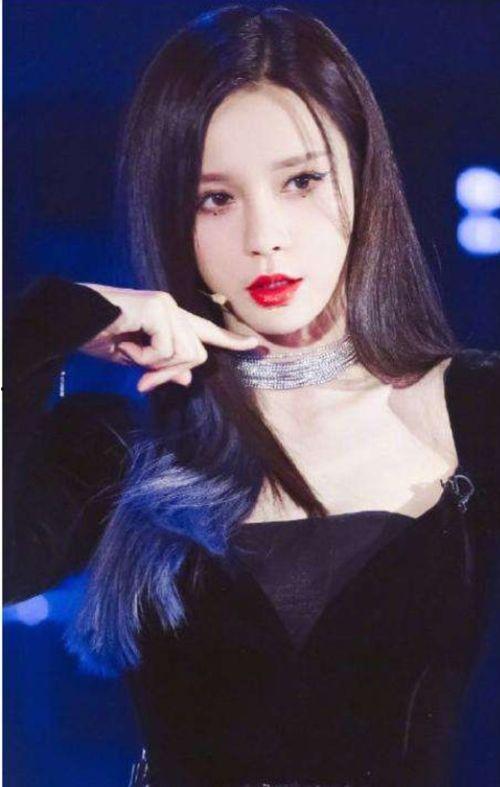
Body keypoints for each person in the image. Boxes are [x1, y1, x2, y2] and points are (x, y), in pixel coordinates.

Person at [4, 5, 500, 787]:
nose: (264, 236)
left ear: (364, 178)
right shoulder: (118, 444)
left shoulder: (476, 408)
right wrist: (49, 319)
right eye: (215, 198)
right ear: (173, 214)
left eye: (301, 181)